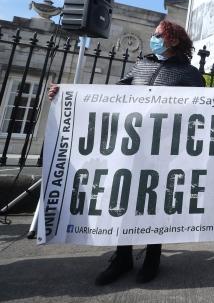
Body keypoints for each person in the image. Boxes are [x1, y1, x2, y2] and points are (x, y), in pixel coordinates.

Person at [48, 20, 205, 285]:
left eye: (158, 35)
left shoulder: (189, 74)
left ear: (174, 40)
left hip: (164, 150)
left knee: (154, 202)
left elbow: (203, 110)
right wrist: (66, 94)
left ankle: (152, 257)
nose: (153, 38)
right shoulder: (141, 65)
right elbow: (111, 94)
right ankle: (122, 258)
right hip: (130, 147)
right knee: (124, 199)